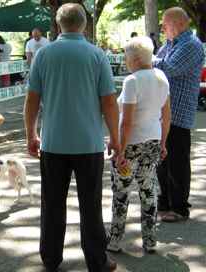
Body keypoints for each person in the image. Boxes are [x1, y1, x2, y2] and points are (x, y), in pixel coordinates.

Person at [24, 3, 119, 271]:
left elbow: (32, 99)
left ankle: (51, 258)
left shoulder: (44, 54)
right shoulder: (96, 55)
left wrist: (30, 134)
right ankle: (97, 261)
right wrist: (115, 137)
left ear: (58, 25)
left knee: (52, 203)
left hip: (53, 142)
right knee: (91, 205)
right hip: (88, 142)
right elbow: (109, 102)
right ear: (84, 24)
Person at [107, 36, 171, 254]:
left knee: (121, 192)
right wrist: (163, 142)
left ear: (133, 59)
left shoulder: (132, 81)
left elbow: (127, 121)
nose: (125, 60)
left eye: (126, 56)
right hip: (152, 140)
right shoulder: (162, 77)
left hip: (131, 144)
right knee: (148, 191)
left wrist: (119, 149)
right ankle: (150, 240)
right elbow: (167, 114)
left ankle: (114, 240)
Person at [153, 7, 205, 222]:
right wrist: (151, 61)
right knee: (162, 161)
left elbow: (169, 67)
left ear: (180, 24)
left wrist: (144, 60)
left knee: (177, 163)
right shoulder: (171, 43)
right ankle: (164, 203)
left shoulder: (191, 44)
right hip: (162, 113)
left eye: (166, 23)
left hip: (178, 113)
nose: (162, 27)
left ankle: (180, 208)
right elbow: (158, 62)